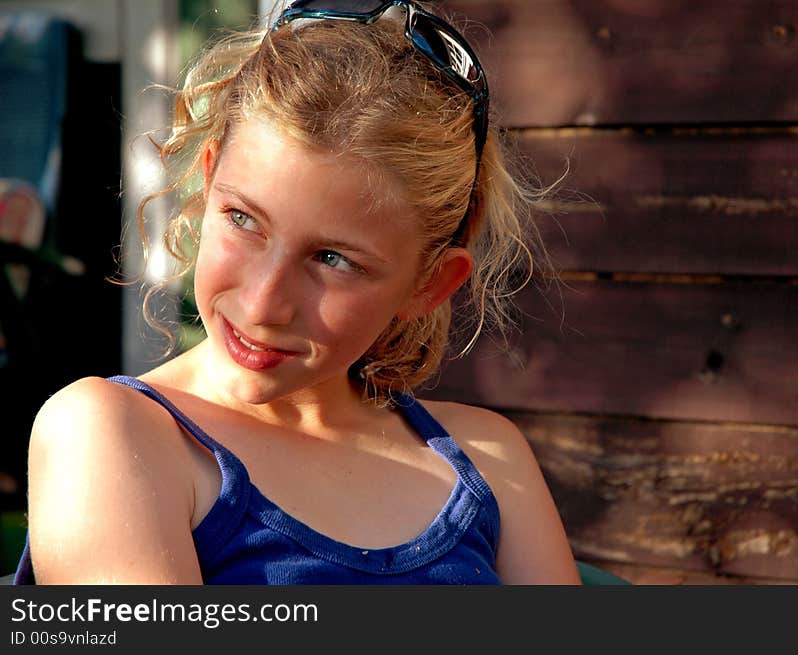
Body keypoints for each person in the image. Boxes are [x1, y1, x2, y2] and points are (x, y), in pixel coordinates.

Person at [14, 0, 581, 585]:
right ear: (208, 181)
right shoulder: (114, 436)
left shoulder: (490, 460)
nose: (262, 305)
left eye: (333, 260)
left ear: (428, 284)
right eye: (242, 219)